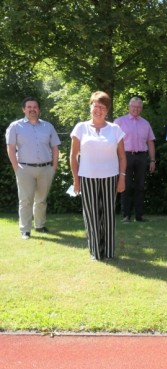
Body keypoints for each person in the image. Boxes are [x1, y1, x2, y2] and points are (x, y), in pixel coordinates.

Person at [69, 91, 126, 260]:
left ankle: (108, 252)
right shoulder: (81, 128)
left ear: (107, 110)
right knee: (92, 215)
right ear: (90, 106)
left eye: (102, 107)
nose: (98, 110)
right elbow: (73, 156)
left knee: (108, 216)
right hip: (87, 178)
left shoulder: (115, 129)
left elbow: (122, 156)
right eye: (96, 106)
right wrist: (76, 180)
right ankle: (95, 252)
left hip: (110, 177)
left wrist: (122, 177)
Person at [5, 97, 61, 240]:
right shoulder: (15, 126)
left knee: (41, 199)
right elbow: (10, 148)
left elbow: (55, 147)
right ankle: (25, 230)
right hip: (24, 168)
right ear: (24, 109)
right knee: (26, 200)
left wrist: (54, 167)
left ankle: (40, 225)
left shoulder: (48, 126)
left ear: (39, 110)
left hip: (45, 169)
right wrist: (16, 167)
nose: (32, 109)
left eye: (35, 107)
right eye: (29, 107)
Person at [114, 96, 156, 223]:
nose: (136, 109)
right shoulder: (119, 122)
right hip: (124, 156)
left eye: (139, 107)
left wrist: (153, 160)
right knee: (125, 185)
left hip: (141, 156)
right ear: (129, 107)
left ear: (141, 108)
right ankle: (126, 215)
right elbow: (112, 142)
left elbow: (150, 142)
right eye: (134, 106)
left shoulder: (145, 123)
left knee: (140, 186)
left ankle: (139, 215)